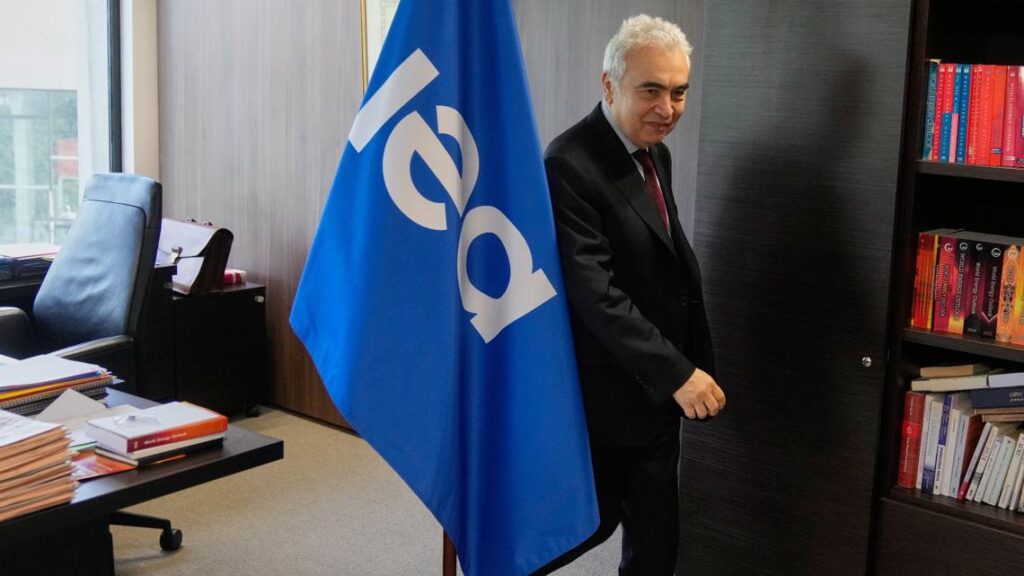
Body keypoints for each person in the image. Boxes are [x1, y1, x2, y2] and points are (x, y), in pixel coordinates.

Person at [536, 14, 725, 576]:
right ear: (609, 85)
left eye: (678, 91)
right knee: (585, 524)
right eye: (650, 90)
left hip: (656, 390)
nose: (666, 108)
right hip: (608, 390)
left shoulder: (652, 151)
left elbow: (663, 265)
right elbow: (594, 293)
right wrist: (676, 372)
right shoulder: (568, 162)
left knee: (656, 541)